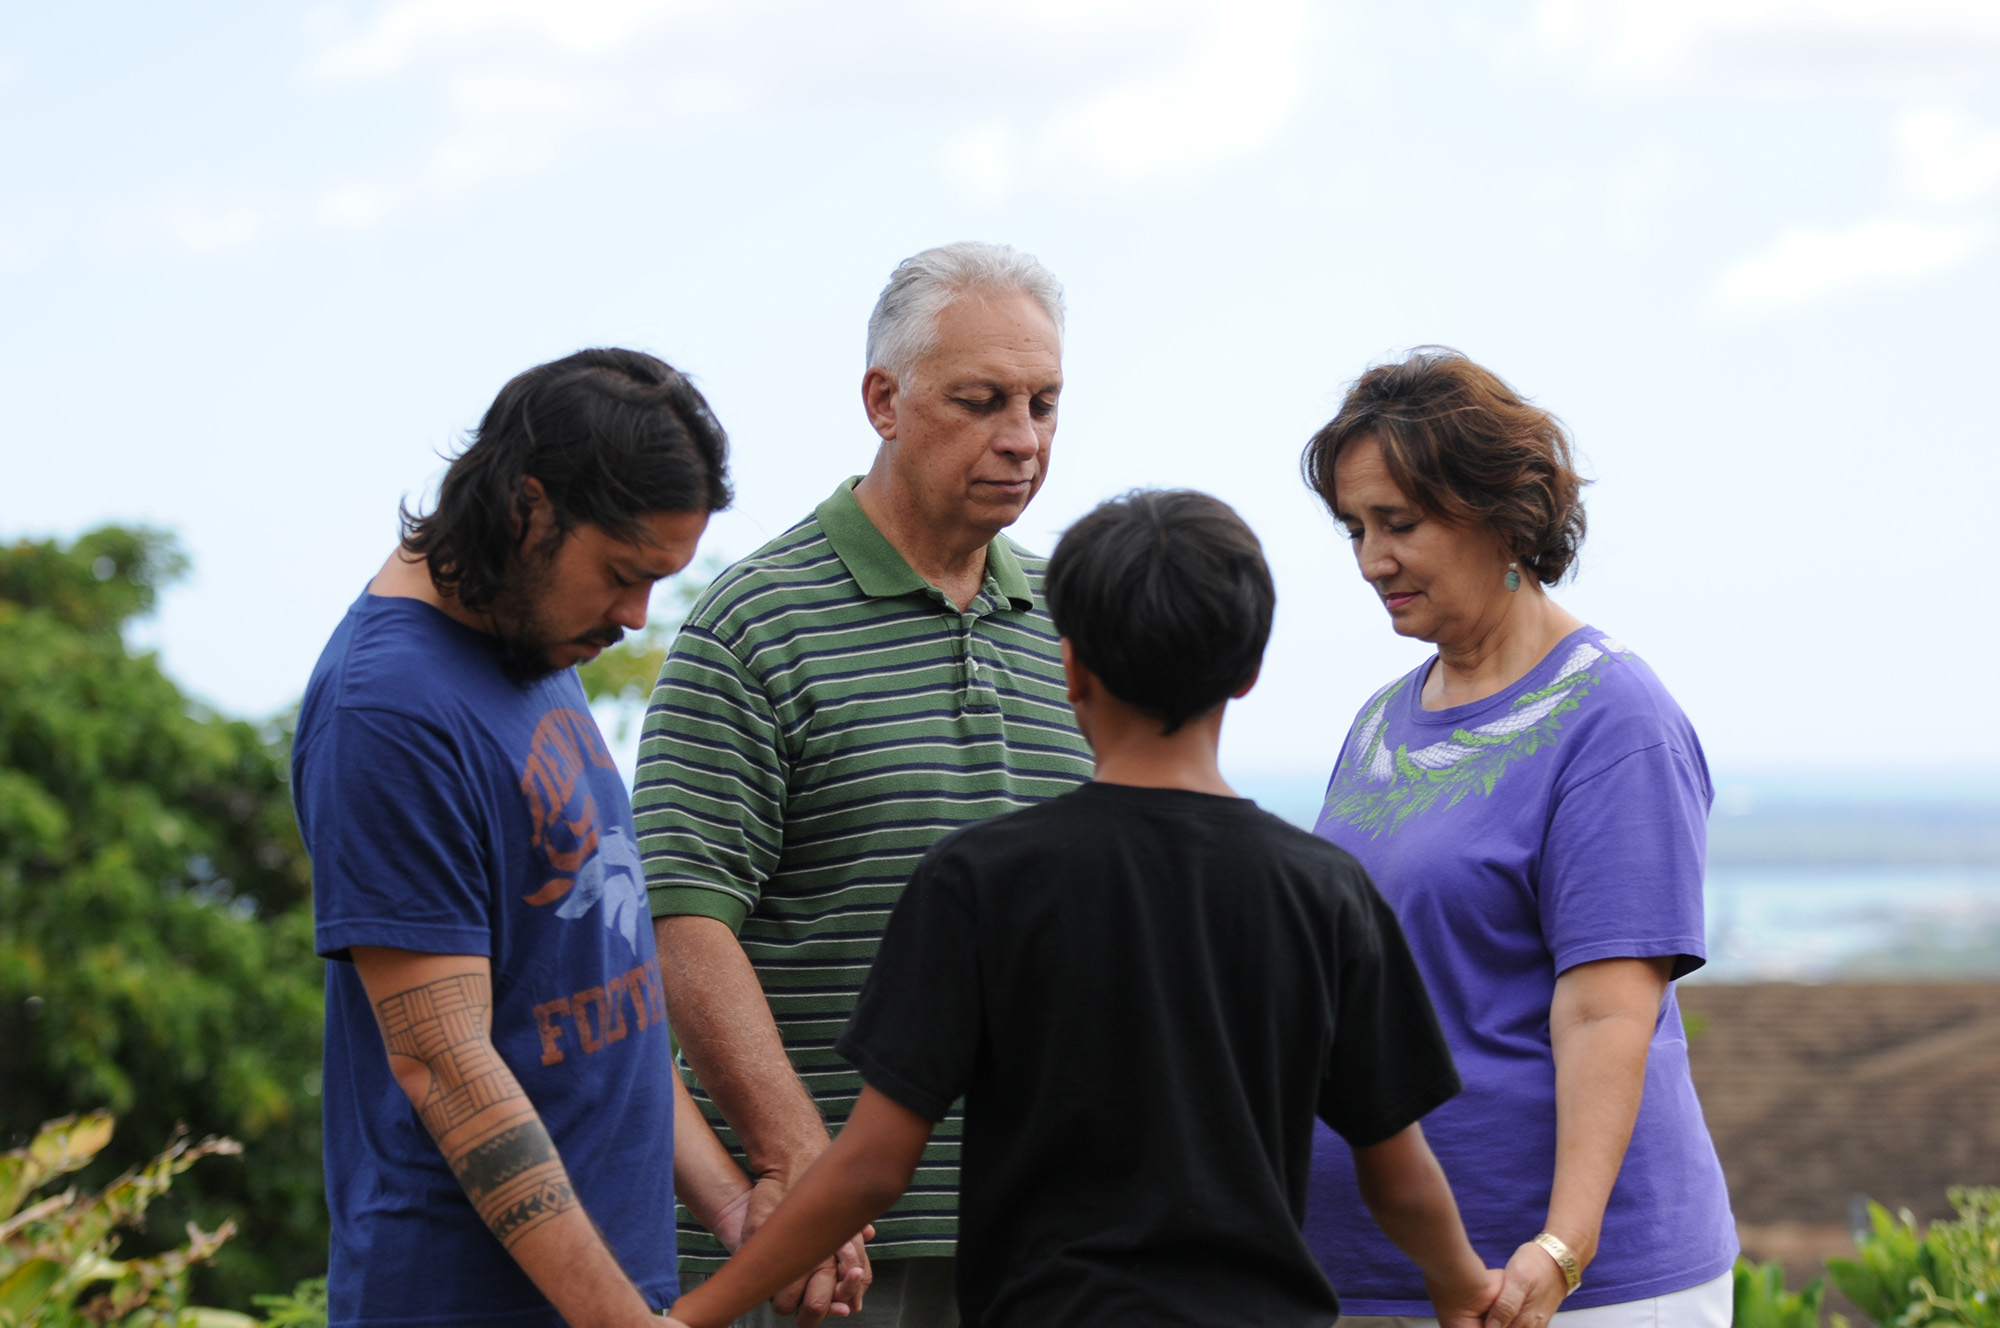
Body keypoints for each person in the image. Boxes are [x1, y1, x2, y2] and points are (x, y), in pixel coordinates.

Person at [655, 489, 1500, 1328]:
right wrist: (1464, 1288)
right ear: (1247, 673)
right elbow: (1398, 1172)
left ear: (1070, 666)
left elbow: (872, 1165)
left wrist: (693, 1316)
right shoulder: (1325, 890)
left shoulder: (981, 879)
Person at [633, 241, 1097, 1327]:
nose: (1021, 439)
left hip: (1050, 1241)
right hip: (827, 1260)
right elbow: (683, 925)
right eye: (981, 401)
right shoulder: (751, 626)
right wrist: (806, 1171)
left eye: (1043, 402)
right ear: (882, 400)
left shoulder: (1081, 622)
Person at [294, 349, 759, 1328]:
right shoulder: (388, 709)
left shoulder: (529, 635)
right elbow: (444, 1065)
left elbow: (596, 998)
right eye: (625, 576)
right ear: (528, 510)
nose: (634, 619)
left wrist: (731, 1205)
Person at [1296, 348, 1738, 1328]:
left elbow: (1602, 1015)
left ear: (1499, 513)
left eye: (1397, 523)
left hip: (1560, 1288)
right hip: (1374, 1278)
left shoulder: (1612, 719)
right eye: (1354, 527)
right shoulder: (1378, 723)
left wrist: (1558, 1247)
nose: (1370, 558)